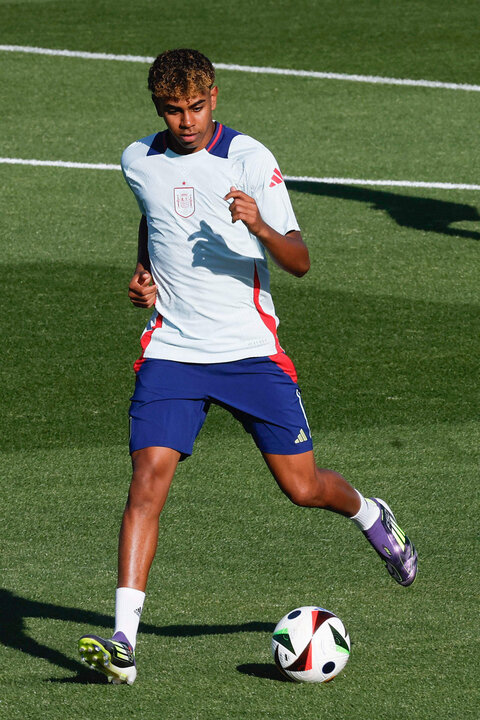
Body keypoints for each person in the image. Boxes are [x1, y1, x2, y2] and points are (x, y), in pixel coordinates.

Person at [78, 48, 417, 685]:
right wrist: (145, 272)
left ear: (216, 99)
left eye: (197, 107)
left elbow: (300, 261)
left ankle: (371, 514)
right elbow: (154, 217)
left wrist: (259, 223)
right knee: (147, 482)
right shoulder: (137, 161)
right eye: (173, 110)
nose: (185, 120)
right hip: (173, 351)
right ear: (158, 108)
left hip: (249, 353)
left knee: (303, 487)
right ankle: (124, 641)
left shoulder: (249, 160)